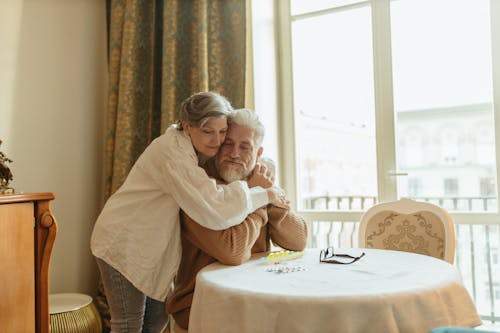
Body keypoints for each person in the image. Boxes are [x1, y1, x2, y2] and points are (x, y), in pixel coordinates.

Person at [90, 92, 288, 333]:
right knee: (129, 323)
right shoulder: (172, 154)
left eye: (222, 131)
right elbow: (214, 206)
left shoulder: (192, 149)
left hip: (147, 244)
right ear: (187, 126)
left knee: (155, 321)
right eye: (208, 131)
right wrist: (263, 194)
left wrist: (262, 169)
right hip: (121, 239)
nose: (217, 141)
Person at [166, 108, 308, 332]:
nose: (234, 153)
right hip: (201, 307)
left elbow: (298, 241)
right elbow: (232, 251)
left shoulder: (258, 182)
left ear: (258, 153)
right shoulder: (200, 190)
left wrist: (265, 194)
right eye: (228, 144)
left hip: (255, 300)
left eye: (245, 147)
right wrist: (258, 198)